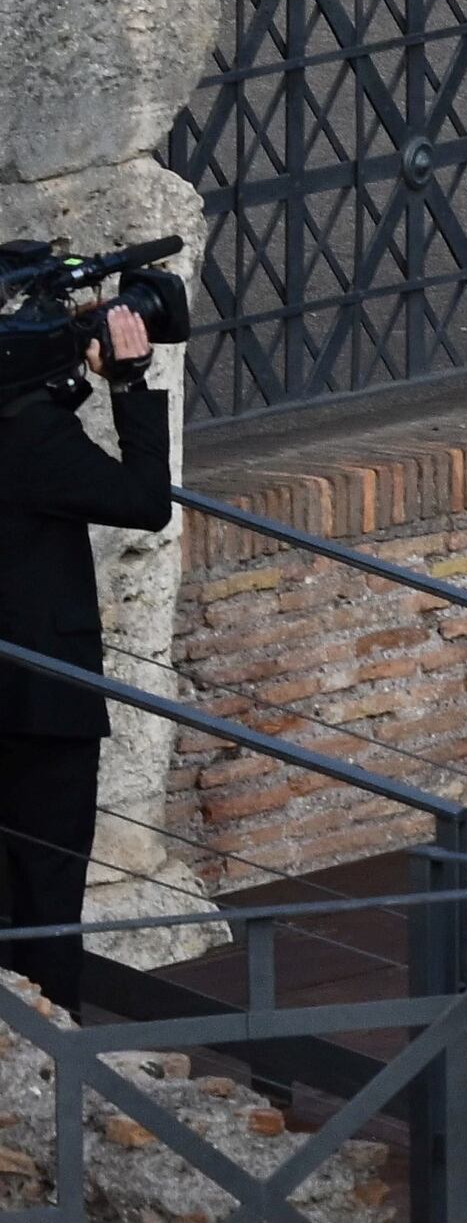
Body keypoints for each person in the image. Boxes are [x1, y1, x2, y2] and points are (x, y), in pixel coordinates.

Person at [0, 292, 169, 1011]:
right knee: (48, 883)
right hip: (42, 705)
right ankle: (53, 1041)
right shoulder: (34, 436)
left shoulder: (33, 425)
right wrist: (128, 383)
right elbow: (144, 498)